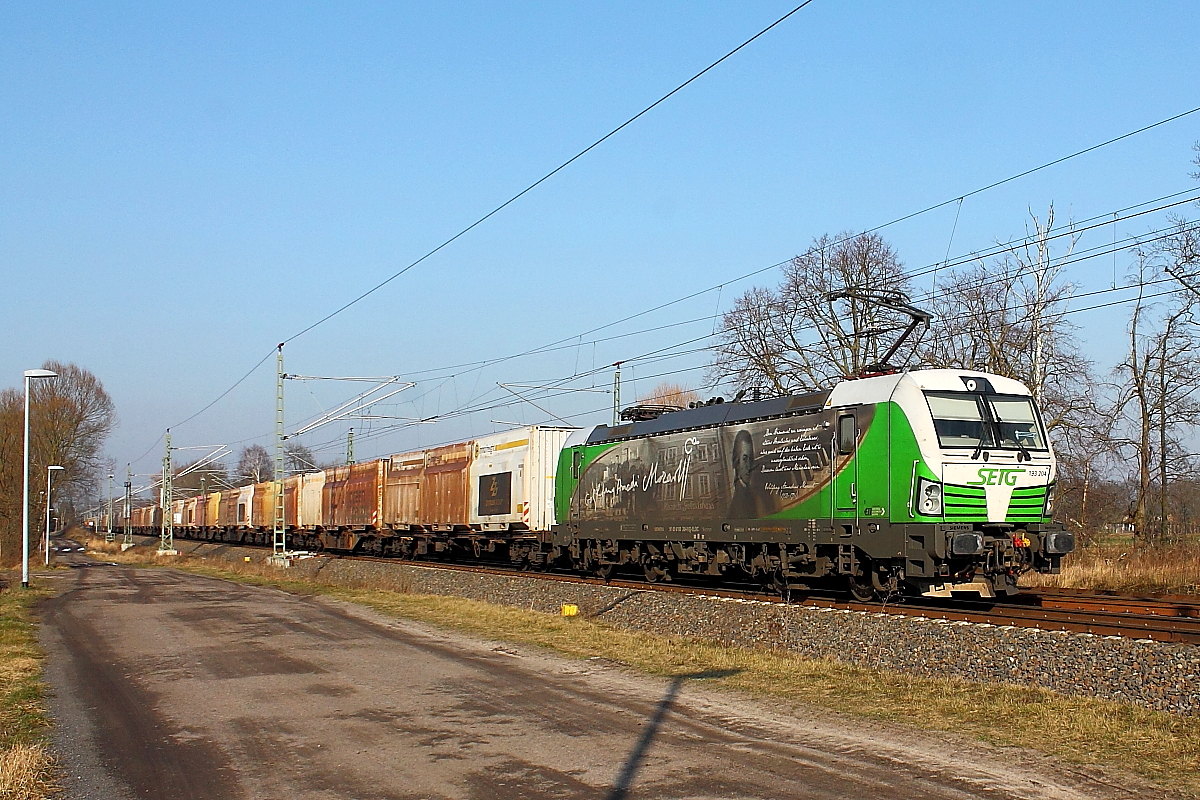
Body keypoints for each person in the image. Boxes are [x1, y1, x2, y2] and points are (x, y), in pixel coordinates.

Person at [727, 430, 761, 519]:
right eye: (745, 459)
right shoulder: (739, 500)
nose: (749, 466)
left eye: (751, 459)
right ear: (736, 461)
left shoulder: (750, 493)